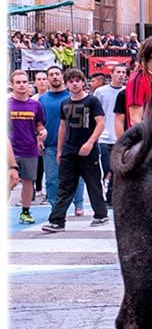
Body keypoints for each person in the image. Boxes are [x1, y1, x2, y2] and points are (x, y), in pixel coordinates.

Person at [41, 68, 109, 232]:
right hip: (69, 151)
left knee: (93, 183)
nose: (74, 83)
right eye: (70, 81)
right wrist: (59, 150)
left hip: (88, 150)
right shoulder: (65, 103)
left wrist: (90, 143)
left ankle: (100, 214)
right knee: (65, 185)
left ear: (82, 81)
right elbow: (62, 128)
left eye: (77, 80)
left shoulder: (92, 101)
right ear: (67, 84)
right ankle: (57, 220)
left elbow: (100, 123)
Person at [37, 65, 85, 216]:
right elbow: (38, 123)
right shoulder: (42, 99)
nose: (55, 77)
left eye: (57, 74)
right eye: (51, 74)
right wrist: (38, 138)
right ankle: (55, 207)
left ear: (62, 76)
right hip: (50, 144)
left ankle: (79, 204)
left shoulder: (72, 96)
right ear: (47, 78)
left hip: (72, 144)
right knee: (52, 178)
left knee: (77, 176)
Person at [8, 69, 47, 224]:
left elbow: (39, 125)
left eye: (24, 82)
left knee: (28, 181)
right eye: (18, 82)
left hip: (29, 149)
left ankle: (25, 211)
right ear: (12, 85)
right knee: (9, 181)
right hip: (10, 151)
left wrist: (43, 132)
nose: (22, 85)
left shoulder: (35, 105)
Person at [93, 63, 126, 207]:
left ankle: (111, 197)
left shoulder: (127, 91)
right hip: (103, 137)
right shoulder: (100, 92)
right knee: (107, 168)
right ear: (111, 74)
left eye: (124, 72)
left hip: (120, 136)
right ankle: (105, 195)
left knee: (115, 170)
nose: (121, 75)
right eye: (118, 72)